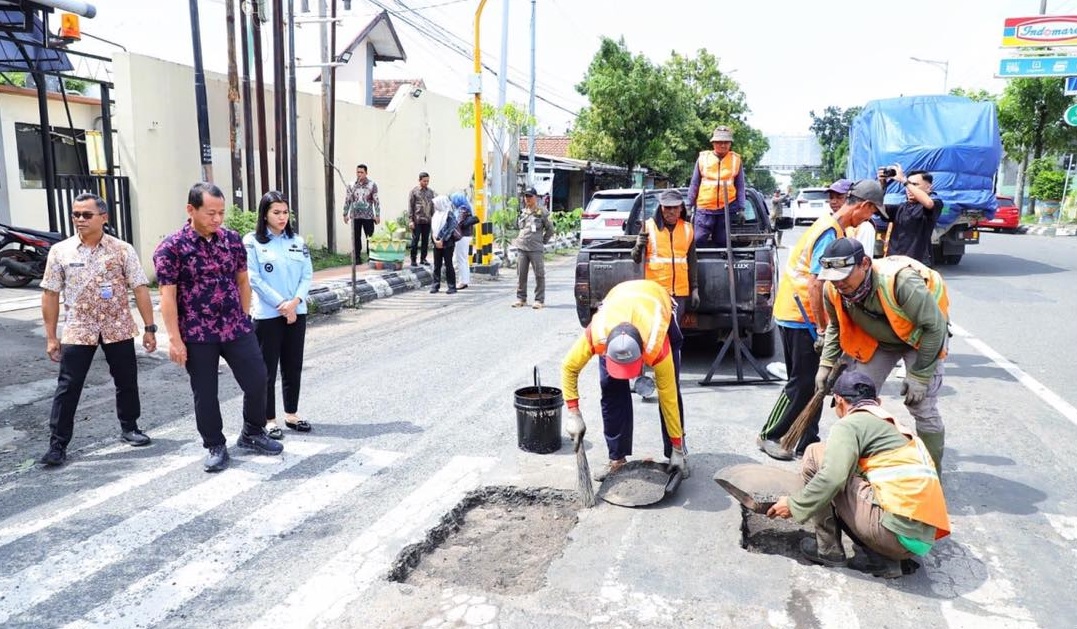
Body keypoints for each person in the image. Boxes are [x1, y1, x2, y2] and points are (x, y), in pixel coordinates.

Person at [766, 370, 950, 579]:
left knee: (815, 453)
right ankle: (880, 558)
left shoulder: (850, 423)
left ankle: (828, 549)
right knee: (848, 467)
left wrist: (793, 505)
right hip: (920, 539)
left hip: (893, 535)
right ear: (877, 401)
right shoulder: (893, 426)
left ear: (839, 400)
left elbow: (832, 477)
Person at [154, 182, 283, 472]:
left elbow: (242, 279)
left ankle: (252, 432)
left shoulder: (232, 240)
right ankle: (214, 444)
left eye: (221, 213)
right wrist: (174, 339)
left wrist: (244, 315)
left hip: (235, 326)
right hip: (198, 333)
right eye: (210, 213)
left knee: (258, 378)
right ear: (191, 210)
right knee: (206, 391)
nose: (217, 219)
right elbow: (167, 295)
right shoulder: (171, 248)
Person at [758, 181, 883, 460]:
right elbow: (816, 283)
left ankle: (806, 440)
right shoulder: (829, 232)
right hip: (801, 314)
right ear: (864, 205)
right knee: (801, 381)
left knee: (817, 383)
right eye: (871, 212)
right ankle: (771, 433)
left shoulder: (835, 227)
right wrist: (822, 328)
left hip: (802, 312)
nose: (870, 219)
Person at [37, 193, 157, 466]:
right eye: (76, 214)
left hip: (118, 326)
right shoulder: (61, 252)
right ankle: (57, 444)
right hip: (79, 328)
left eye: (86, 214)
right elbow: (50, 294)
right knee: (68, 386)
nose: (80, 219)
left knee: (126, 380)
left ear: (104, 217)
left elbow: (140, 287)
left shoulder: (122, 250)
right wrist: (51, 336)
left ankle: (130, 427)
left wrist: (149, 327)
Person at [816, 237, 950, 473]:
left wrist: (919, 376)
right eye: (834, 279)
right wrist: (826, 364)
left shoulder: (901, 282)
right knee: (855, 399)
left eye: (845, 277)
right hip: (879, 340)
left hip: (920, 338)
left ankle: (931, 473)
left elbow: (935, 327)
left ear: (865, 264)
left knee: (922, 406)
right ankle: (860, 466)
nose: (839, 284)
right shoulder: (833, 288)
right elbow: (835, 326)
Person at [561, 279, 688, 480]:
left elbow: (668, 398)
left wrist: (677, 447)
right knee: (610, 389)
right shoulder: (597, 335)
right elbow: (569, 367)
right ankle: (617, 459)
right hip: (618, 301)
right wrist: (573, 412)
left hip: (655, 302)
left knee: (670, 388)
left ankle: (677, 452)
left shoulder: (656, 346)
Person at [243, 191, 314, 440]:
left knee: (293, 364)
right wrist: (282, 304)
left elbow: (307, 275)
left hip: (297, 311)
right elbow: (254, 279)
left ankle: (291, 413)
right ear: (265, 214)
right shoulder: (252, 241)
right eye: (276, 212)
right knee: (267, 369)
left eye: (285, 212)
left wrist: (294, 303)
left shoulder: (297, 241)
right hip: (267, 314)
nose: (282, 217)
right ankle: (269, 419)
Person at [631, 188, 699, 320]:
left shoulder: (687, 228)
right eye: (667, 207)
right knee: (657, 330)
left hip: (679, 294)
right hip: (656, 291)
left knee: (675, 332)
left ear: (681, 208)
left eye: (675, 207)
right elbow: (636, 258)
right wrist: (638, 245)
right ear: (661, 208)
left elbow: (692, 261)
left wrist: (695, 288)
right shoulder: (648, 227)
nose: (671, 211)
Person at [688, 125, 744, 248]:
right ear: (713, 143)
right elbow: (694, 183)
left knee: (723, 241)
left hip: (726, 208)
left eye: (726, 142)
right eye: (719, 142)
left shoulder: (736, 160)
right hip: (705, 209)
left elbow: (740, 186)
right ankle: (697, 265)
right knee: (698, 239)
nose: (723, 145)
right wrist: (689, 205)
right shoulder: (703, 159)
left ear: (730, 144)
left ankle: (722, 265)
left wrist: (741, 208)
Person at [877, 165, 943, 266]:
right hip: (895, 264)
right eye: (908, 185)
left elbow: (929, 203)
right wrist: (882, 185)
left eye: (915, 184)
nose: (908, 189)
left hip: (918, 264)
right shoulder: (900, 208)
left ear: (929, 187)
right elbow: (875, 207)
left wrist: (905, 181)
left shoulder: (935, 203)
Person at [511, 187, 554, 309]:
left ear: (535, 197)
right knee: (521, 274)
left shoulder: (542, 212)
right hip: (522, 247)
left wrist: (542, 241)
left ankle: (539, 300)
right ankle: (521, 298)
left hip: (535, 248)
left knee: (539, 274)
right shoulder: (523, 212)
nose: (527, 199)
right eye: (526, 196)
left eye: (530, 196)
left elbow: (550, 229)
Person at [343, 164, 380, 262]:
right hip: (355, 216)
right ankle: (357, 258)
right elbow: (347, 200)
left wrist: (377, 215)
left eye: (361, 172)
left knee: (370, 237)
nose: (359, 174)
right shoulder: (352, 185)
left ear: (366, 173)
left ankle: (371, 257)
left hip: (368, 216)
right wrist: (345, 213)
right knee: (356, 237)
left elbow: (376, 200)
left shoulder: (372, 185)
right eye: (358, 172)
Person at [428, 195, 459, 294]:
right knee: (437, 265)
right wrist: (434, 240)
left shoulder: (449, 214)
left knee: (448, 264)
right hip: (436, 243)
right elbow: (433, 229)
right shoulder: (435, 215)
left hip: (447, 243)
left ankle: (452, 287)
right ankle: (435, 285)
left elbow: (451, 228)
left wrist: (442, 240)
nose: (435, 206)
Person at [450, 192, 478, 289]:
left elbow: (458, 222)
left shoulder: (462, 209)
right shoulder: (466, 208)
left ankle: (462, 281)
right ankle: (465, 280)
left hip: (462, 236)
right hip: (466, 236)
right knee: (464, 259)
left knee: (460, 259)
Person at [407, 172, 436, 267]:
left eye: (428, 181)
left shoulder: (430, 192)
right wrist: (410, 220)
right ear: (419, 180)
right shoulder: (414, 192)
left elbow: (432, 207)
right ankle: (413, 259)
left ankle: (423, 259)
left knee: (425, 241)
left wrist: (434, 219)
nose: (426, 183)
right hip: (417, 220)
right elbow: (410, 207)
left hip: (427, 220)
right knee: (415, 240)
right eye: (424, 181)